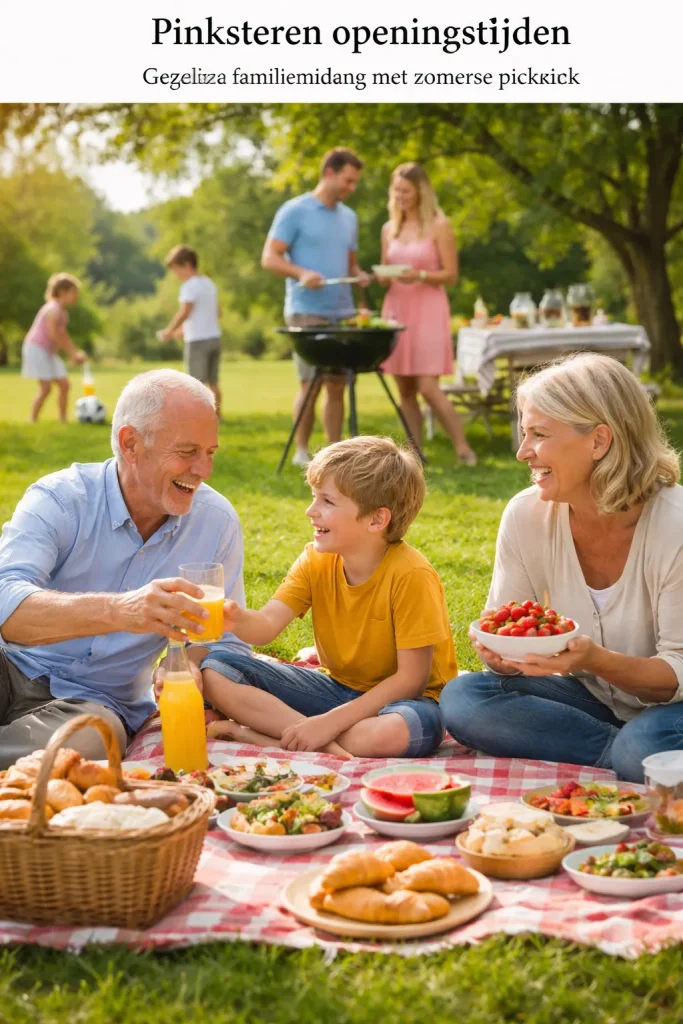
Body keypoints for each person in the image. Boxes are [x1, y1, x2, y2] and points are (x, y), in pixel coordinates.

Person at [440, 353, 683, 783]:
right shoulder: (525, 516)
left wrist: (594, 660)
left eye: (539, 434)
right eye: (524, 433)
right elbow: (503, 629)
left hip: (673, 703)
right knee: (464, 697)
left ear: (599, 441)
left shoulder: (675, 524)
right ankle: (633, 758)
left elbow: (674, 677)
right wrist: (502, 658)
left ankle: (633, 753)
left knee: (642, 745)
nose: (521, 453)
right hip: (595, 698)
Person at [0, 369, 249, 767]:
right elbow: (5, 604)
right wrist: (121, 611)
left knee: (92, 742)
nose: (203, 470)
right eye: (187, 452)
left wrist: (185, 662)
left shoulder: (216, 522)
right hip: (9, 665)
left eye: (210, 452)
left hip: (94, 704)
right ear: (130, 443)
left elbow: (225, 640)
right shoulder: (62, 499)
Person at [196, 436, 455, 759]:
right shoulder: (315, 560)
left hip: (405, 704)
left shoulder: (411, 575)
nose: (310, 511)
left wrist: (329, 723)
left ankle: (266, 736)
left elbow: (411, 680)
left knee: (399, 731)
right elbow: (266, 627)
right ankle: (322, 742)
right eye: (314, 497)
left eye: (327, 502)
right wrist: (234, 616)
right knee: (217, 671)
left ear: (377, 519)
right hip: (336, 691)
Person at [262, 147, 371, 467]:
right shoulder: (294, 210)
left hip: (343, 311)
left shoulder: (349, 217)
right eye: (348, 181)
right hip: (305, 308)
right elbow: (270, 257)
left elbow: (351, 265)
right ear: (329, 173)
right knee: (310, 384)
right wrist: (301, 273)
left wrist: (360, 276)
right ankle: (301, 451)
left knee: (337, 384)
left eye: (355, 183)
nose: (351, 188)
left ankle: (334, 454)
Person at [377, 163, 477, 467]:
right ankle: (414, 456)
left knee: (428, 388)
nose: (400, 196)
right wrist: (382, 276)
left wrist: (419, 275)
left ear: (421, 191)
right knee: (405, 390)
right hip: (397, 309)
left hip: (429, 310)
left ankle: (463, 449)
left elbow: (450, 274)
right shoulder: (388, 228)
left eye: (406, 190)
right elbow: (385, 272)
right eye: (396, 190)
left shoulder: (439, 225)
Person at [159, 246, 223, 418]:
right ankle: (217, 417)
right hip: (214, 338)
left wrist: (168, 331)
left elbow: (185, 312)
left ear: (187, 265)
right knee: (213, 382)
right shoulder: (209, 283)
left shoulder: (189, 286)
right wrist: (182, 330)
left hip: (198, 342)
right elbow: (217, 313)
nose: (176, 275)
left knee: (195, 383)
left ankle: (198, 419)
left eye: (176, 269)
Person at [21, 273, 87, 423]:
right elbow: (53, 335)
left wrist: (74, 352)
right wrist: (71, 354)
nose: (76, 296)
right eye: (74, 293)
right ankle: (32, 420)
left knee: (64, 385)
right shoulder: (53, 309)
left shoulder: (62, 312)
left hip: (47, 351)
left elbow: (63, 335)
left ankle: (63, 419)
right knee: (46, 388)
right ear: (63, 292)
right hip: (36, 349)